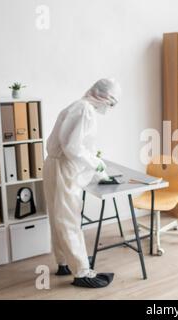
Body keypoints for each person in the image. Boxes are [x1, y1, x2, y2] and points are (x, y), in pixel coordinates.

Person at [43, 78, 121, 288]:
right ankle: (81, 271)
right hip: (64, 168)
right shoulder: (84, 110)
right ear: (104, 97)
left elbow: (71, 145)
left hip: (53, 164)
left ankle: (63, 262)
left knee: (57, 217)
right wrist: (96, 165)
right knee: (69, 219)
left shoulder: (76, 106)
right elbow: (73, 148)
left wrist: (95, 165)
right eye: (112, 103)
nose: (110, 108)